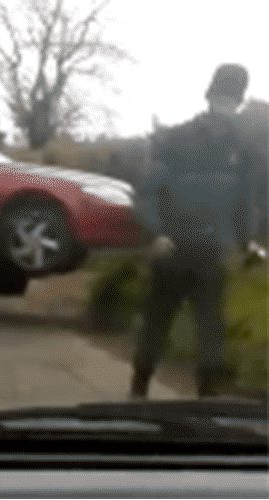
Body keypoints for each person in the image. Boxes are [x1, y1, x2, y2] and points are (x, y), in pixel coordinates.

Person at [131, 63, 262, 398]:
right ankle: (154, 392)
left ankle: (180, 398)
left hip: (194, 248)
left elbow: (246, 200)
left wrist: (246, 242)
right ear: (217, 97)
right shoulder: (190, 140)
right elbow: (148, 191)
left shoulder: (237, 148)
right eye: (225, 96)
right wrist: (156, 233)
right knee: (180, 324)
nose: (226, 104)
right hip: (188, 247)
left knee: (192, 327)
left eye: (230, 98)